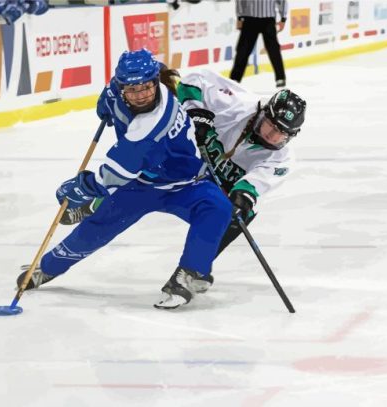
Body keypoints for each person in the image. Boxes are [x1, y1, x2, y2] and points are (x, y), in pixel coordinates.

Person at [16, 49, 233, 309]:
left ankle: (190, 273)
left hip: (185, 184)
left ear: (156, 82)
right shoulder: (117, 90)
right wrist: (106, 106)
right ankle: (48, 267)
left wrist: (83, 187)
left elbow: (117, 172)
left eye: (146, 87)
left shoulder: (155, 122)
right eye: (132, 90)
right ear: (121, 88)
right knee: (100, 224)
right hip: (143, 183)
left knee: (219, 209)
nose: (140, 95)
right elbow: (110, 94)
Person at [177, 69, 306, 258]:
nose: (272, 135)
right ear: (262, 114)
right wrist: (196, 113)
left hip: (214, 188)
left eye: (281, 132)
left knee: (241, 214)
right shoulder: (238, 103)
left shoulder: (282, 158)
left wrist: (241, 199)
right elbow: (193, 80)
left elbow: (253, 186)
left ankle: (193, 267)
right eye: (271, 125)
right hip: (185, 165)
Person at [230, 0, 288, 88]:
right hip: (250, 18)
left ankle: (280, 77)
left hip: (268, 19)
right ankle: (235, 78)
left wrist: (283, 18)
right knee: (243, 50)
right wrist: (240, 17)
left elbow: (282, 1)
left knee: (274, 50)